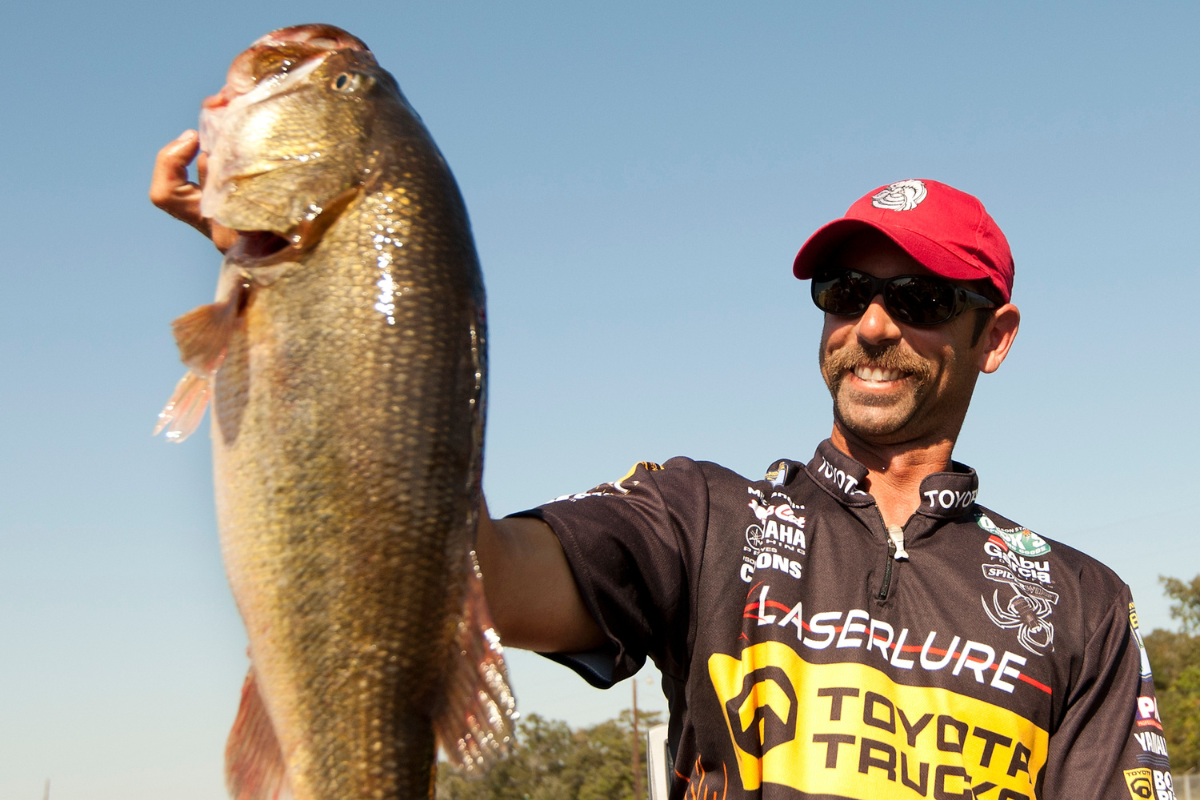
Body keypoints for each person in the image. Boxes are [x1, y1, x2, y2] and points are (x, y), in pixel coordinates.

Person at [153, 136, 1171, 799]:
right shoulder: (700, 513)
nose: (872, 324)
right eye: (844, 288)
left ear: (995, 335)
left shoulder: (1080, 600)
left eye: (923, 299)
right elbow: (482, 575)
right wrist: (324, 289)